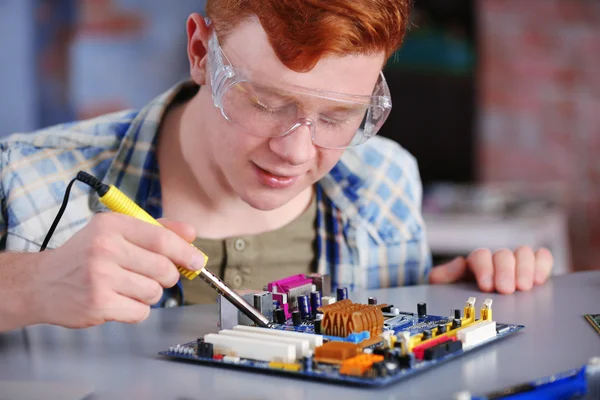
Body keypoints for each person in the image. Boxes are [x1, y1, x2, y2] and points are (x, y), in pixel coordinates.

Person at [0, 0, 553, 333]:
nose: (295, 152)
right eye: (265, 103)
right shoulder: (28, 180)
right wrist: (29, 288)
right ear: (200, 51)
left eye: (339, 116)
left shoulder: (385, 180)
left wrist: (453, 307)